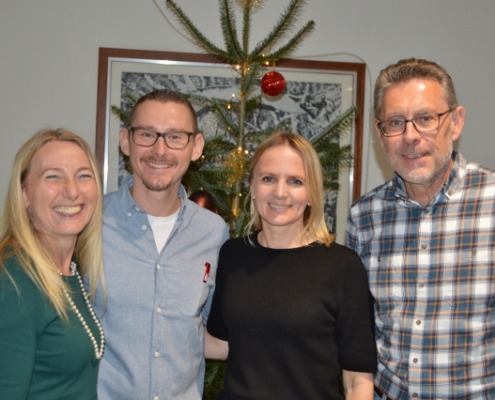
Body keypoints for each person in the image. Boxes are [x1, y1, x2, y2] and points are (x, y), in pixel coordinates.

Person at [346, 58, 495, 400]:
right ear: (380, 134)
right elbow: (358, 332)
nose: (410, 136)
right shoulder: (364, 217)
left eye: (426, 118)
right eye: (396, 122)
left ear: (455, 122)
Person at [206, 132, 377, 399]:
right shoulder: (232, 255)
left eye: (295, 181)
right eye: (268, 178)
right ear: (252, 187)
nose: (280, 192)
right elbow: (222, 344)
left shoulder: (342, 267)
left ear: (311, 194)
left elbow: (357, 380)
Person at [95, 89, 229, 400]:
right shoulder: (91, 224)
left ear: (196, 147)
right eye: (147, 134)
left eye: (175, 137)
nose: (160, 150)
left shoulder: (213, 233)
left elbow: (208, 332)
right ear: (125, 140)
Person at [0, 128, 105, 399]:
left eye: (83, 176)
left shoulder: (70, 269)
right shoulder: (14, 281)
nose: (71, 191)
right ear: (24, 194)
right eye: (53, 177)